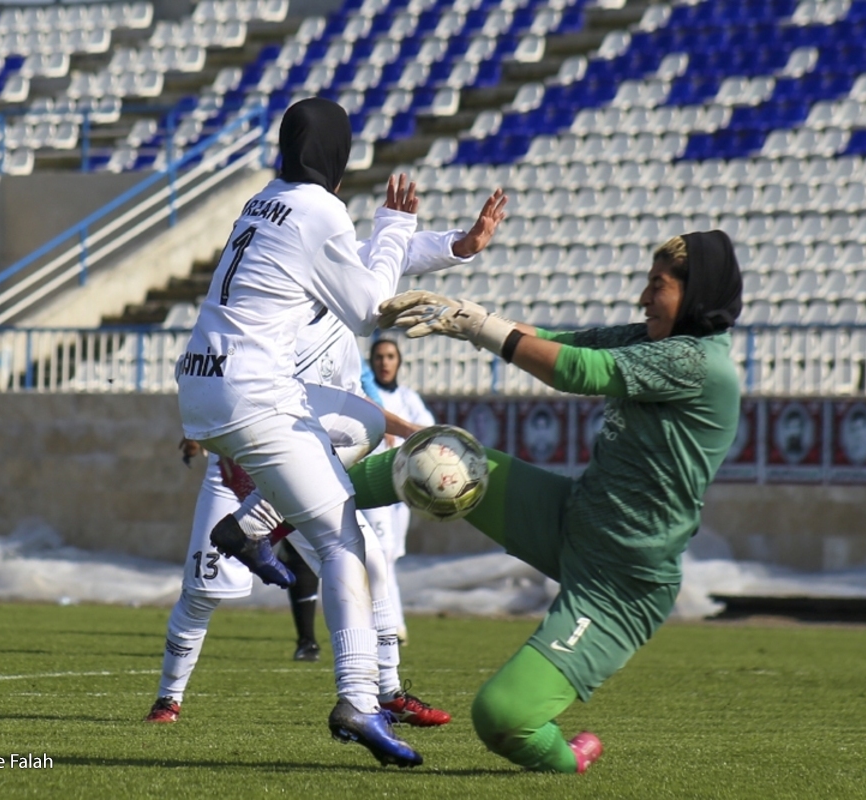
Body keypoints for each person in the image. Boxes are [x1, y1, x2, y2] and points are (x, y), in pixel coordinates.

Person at [174, 96, 503, 766]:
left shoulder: (269, 199)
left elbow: (358, 263)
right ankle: (358, 698)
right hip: (253, 390)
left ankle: (251, 523)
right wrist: (392, 222)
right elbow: (371, 306)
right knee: (344, 541)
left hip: (206, 380)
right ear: (338, 155)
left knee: (362, 420)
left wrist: (449, 247)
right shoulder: (319, 209)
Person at [356, 231, 743, 774]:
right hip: (572, 518)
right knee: (439, 455)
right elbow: (563, 341)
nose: (643, 298)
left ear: (698, 292)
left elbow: (578, 371)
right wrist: (465, 314)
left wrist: (477, 327)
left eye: (658, 286)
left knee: (501, 716)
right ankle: (290, 504)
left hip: (622, 583)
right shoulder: (653, 341)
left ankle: (571, 760)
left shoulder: (697, 362)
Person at [362, 338, 435, 643]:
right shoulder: (364, 396)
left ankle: (382, 623)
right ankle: (392, 625)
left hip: (402, 491)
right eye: (379, 357)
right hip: (375, 484)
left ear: (399, 361)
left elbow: (428, 430)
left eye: (390, 356)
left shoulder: (408, 398)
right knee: (382, 555)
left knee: (389, 556)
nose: (385, 362)